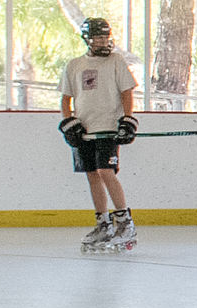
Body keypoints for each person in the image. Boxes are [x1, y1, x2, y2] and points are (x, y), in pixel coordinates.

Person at [58, 15, 142, 253]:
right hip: (85, 131)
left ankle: (125, 222)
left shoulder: (116, 61)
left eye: (106, 36)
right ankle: (103, 223)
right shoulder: (74, 65)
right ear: (87, 39)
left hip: (108, 128)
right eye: (98, 37)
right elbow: (66, 99)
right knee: (92, 175)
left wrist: (127, 119)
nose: (103, 41)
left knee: (106, 171)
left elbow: (127, 92)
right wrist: (68, 122)